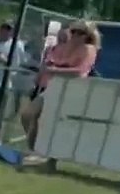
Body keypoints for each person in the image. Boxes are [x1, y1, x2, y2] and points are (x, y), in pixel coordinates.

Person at [20, 21, 100, 156]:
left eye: (80, 33)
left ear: (88, 35)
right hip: (53, 87)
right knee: (27, 115)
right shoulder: (62, 47)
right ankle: (34, 150)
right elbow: (48, 64)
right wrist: (42, 76)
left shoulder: (88, 49)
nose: (75, 35)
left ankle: (44, 154)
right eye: (73, 31)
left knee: (53, 124)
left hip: (73, 90)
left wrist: (54, 70)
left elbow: (79, 72)